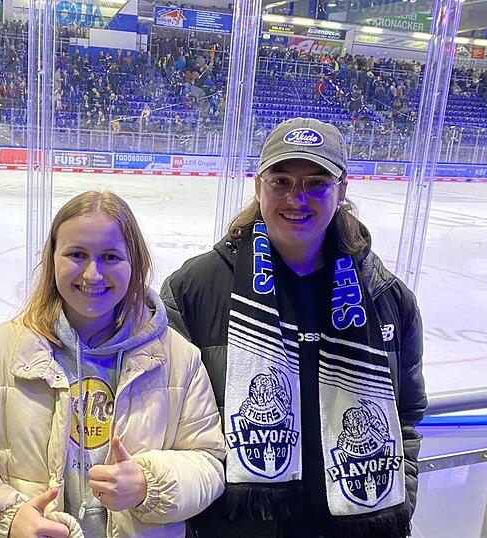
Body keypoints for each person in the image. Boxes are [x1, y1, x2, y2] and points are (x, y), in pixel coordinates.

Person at [161, 117, 427, 538]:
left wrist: (397, 500)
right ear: (258, 185)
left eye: (316, 183)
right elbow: (173, 422)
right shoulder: (194, 289)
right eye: (281, 181)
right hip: (235, 527)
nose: (296, 198)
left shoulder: (386, 298)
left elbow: (407, 416)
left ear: (342, 189)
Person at [0, 191, 225, 537]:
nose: (93, 274)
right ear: (52, 260)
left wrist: (148, 484)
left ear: (134, 264)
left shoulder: (180, 360)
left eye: (110, 257)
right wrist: (10, 520)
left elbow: (209, 463)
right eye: (77, 255)